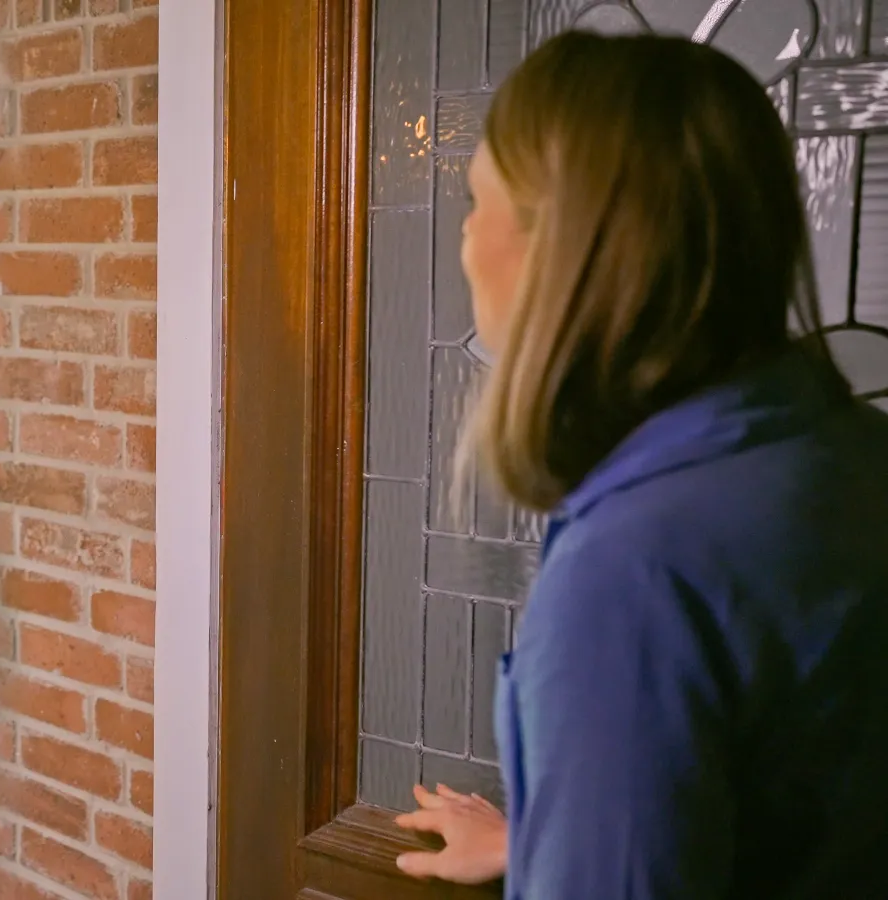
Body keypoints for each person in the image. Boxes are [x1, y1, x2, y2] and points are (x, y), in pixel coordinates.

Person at [392, 31, 888, 898]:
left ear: (559, 246)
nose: (465, 239)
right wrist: (561, 830)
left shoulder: (634, 572)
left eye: (477, 202)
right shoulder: (852, 454)